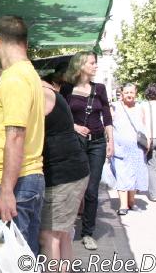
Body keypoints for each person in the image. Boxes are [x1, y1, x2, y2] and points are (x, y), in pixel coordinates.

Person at [0, 16, 45, 256]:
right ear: (25, 43)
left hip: (13, 183)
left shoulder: (15, 78)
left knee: (4, 260)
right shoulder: (29, 75)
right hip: (26, 180)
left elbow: (15, 135)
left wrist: (6, 191)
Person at [61, 51, 113, 251]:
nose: (95, 66)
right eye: (92, 63)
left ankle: (88, 233)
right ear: (81, 65)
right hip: (75, 143)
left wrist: (111, 141)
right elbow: (62, 116)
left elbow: (107, 117)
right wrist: (75, 127)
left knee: (92, 189)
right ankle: (65, 227)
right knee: (73, 187)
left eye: (95, 63)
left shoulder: (99, 89)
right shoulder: (66, 89)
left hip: (98, 142)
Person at [39, 78, 89, 270]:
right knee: (62, 234)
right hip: (72, 171)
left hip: (64, 174)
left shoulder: (42, 94)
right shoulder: (50, 92)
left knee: (49, 236)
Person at [110, 83, 148, 214]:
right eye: (126, 93)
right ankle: (123, 205)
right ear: (122, 94)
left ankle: (132, 201)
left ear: (135, 93)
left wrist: (147, 142)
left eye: (131, 92)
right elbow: (108, 126)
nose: (129, 95)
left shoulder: (140, 107)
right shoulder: (114, 107)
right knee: (122, 175)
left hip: (137, 148)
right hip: (120, 148)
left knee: (135, 175)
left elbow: (144, 127)